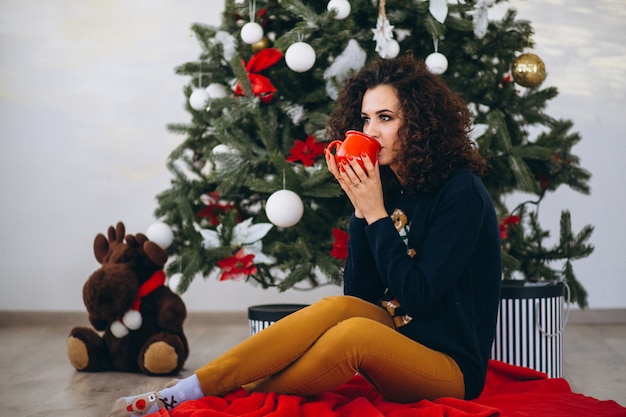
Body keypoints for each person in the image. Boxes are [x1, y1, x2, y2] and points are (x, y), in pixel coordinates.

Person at [110, 55, 502, 417]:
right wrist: (360, 208)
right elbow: (359, 297)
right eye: (365, 120)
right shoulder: (388, 185)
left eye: (386, 117)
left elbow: (418, 295)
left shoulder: (461, 193)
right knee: (337, 309)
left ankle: (224, 393)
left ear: (419, 123)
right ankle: (187, 391)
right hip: (400, 340)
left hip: (450, 367)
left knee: (356, 333)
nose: (371, 131)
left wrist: (376, 213)